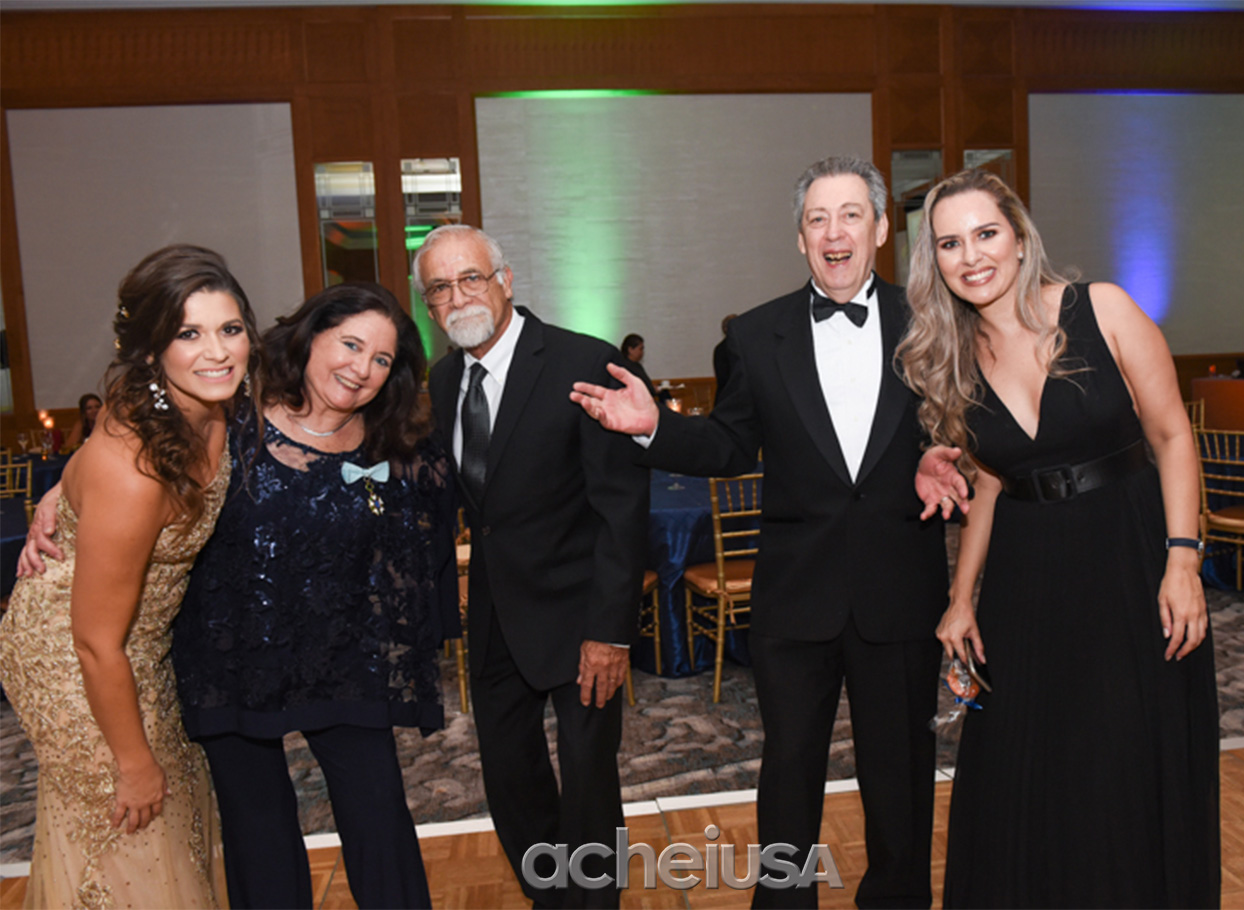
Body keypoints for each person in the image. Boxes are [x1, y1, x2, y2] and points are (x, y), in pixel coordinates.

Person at [571, 156, 965, 909]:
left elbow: (970, 429)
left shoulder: (935, 322)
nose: (834, 232)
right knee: (788, 775)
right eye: (817, 219)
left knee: (903, 777)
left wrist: (956, 463)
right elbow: (728, 445)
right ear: (800, 238)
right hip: (795, 595)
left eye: (850, 215)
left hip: (900, 589)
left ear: (882, 229)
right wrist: (655, 428)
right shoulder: (756, 334)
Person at [23, 283, 451, 909]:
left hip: (344, 659)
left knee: (379, 813)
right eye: (350, 344)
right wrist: (60, 493)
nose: (361, 368)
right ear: (311, 337)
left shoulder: (399, 445)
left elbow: (442, 533)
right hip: (229, 661)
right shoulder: (231, 408)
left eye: (382, 359)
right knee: (259, 834)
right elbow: (125, 450)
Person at [897, 168, 1220, 907]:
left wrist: (1182, 560)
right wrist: (960, 598)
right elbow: (988, 485)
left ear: (1019, 237)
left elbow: (1172, 436)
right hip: (1027, 584)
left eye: (986, 233)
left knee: (1124, 761)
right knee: (1029, 768)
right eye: (950, 243)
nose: (971, 255)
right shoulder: (953, 359)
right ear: (934, 260)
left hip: (1128, 562)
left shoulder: (1102, 308)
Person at [1, 244, 258, 908]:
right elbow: (94, 642)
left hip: (136, 643)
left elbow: (90, 469)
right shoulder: (134, 471)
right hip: (74, 650)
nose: (217, 351)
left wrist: (61, 495)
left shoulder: (205, 407)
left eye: (230, 329)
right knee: (136, 817)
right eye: (188, 334)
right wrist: (133, 762)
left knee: (176, 814)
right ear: (150, 352)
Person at [413, 224, 649, 908]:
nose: (458, 297)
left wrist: (610, 632)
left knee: (589, 787)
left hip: (581, 622)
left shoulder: (585, 362)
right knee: (510, 782)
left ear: (506, 281)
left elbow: (621, 512)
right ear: (428, 307)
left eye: (471, 278)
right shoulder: (444, 379)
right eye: (440, 288)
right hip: (495, 621)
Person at [713, 314, 737, 393]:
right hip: (728, 394)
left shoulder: (745, 347)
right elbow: (723, 378)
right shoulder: (722, 349)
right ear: (725, 329)